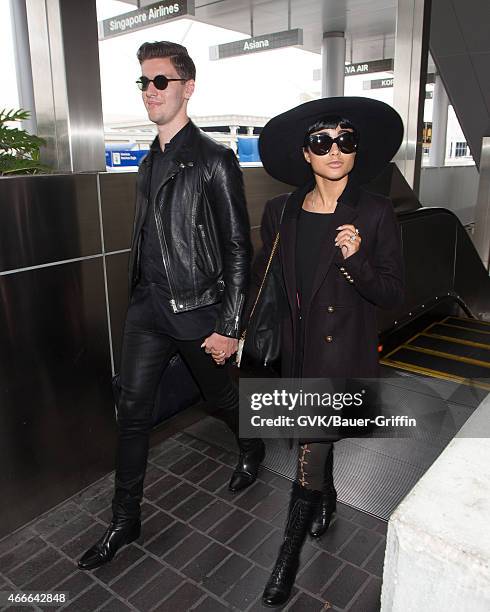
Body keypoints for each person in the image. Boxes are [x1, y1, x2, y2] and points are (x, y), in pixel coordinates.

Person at [78, 41, 265, 571]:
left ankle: (250, 445)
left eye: (160, 81)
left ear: (187, 86)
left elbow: (236, 247)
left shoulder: (214, 160)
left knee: (220, 397)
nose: (149, 92)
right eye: (143, 82)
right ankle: (124, 520)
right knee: (132, 414)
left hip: (196, 311)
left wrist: (230, 325)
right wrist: (137, 294)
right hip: (147, 312)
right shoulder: (147, 162)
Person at [254, 97, 405, 606]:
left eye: (346, 141)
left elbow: (390, 293)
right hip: (297, 353)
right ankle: (330, 496)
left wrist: (357, 258)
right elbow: (264, 281)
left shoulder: (377, 211)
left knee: (310, 450)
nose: (335, 150)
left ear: (357, 152)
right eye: (323, 142)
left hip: (343, 354)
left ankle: (286, 560)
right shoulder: (279, 212)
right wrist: (234, 330)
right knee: (314, 444)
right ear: (306, 153)